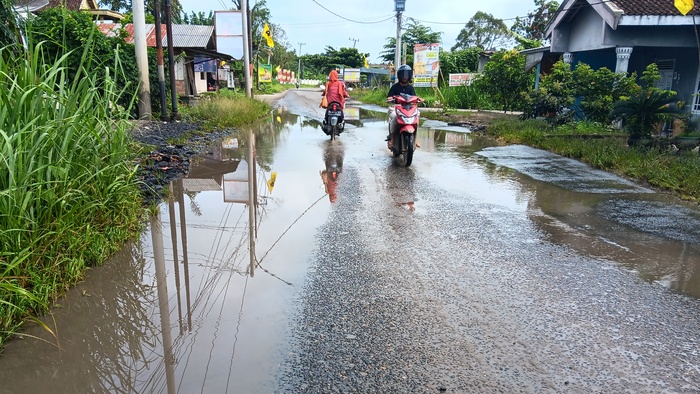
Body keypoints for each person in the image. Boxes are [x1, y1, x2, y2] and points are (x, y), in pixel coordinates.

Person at [386, 64, 416, 148]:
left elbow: (414, 97)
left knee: (416, 117)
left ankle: (415, 139)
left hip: (408, 108)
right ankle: (392, 139)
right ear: (400, 75)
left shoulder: (410, 88)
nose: (405, 77)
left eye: (407, 74)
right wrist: (390, 98)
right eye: (403, 74)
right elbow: (389, 97)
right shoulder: (395, 87)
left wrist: (418, 100)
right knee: (395, 118)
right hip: (395, 107)